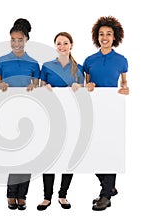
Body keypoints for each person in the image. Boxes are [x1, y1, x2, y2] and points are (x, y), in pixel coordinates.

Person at [83, 16, 129, 211]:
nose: (105, 37)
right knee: (88, 153)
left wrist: (126, 88)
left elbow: (124, 82)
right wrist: (88, 86)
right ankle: (109, 186)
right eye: (101, 34)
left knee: (109, 151)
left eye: (109, 34)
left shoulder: (121, 60)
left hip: (112, 112)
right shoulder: (89, 60)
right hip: (92, 111)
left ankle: (105, 195)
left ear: (115, 37)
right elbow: (84, 85)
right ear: (97, 36)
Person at [0, 18, 40, 210]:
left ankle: (22, 195)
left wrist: (33, 86)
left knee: (27, 155)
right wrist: (1, 84)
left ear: (26, 40)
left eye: (20, 39)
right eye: (13, 39)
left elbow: (37, 87)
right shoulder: (2, 61)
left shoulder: (33, 63)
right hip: (7, 111)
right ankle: (11, 194)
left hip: (28, 112)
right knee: (14, 154)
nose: (16, 43)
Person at [36, 32, 84, 211]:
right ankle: (46, 197)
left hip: (72, 118)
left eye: (65, 43)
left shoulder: (77, 69)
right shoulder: (47, 66)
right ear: (55, 45)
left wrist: (79, 87)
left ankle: (63, 195)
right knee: (50, 157)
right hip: (51, 117)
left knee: (68, 158)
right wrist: (45, 87)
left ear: (71, 45)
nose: (62, 46)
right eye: (59, 43)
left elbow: (85, 95)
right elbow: (39, 89)